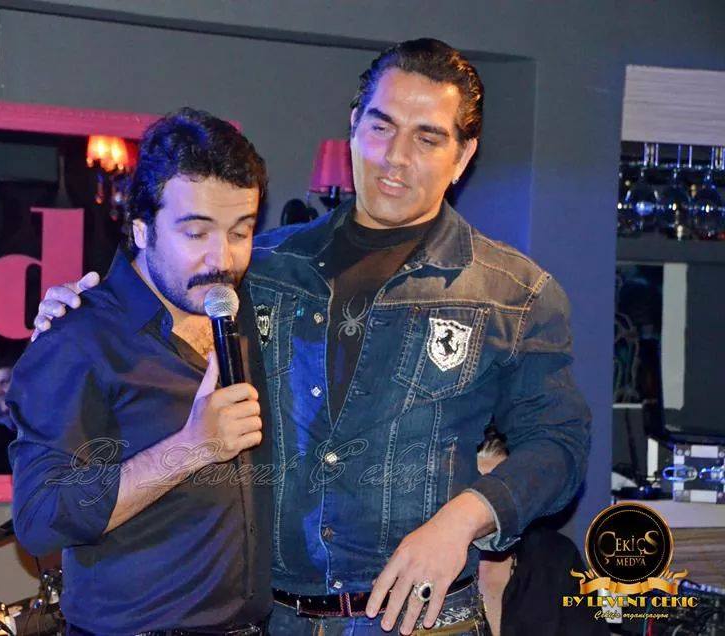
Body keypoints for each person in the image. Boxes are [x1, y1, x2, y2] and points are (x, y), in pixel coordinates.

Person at [35, 38, 591, 636]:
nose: (395, 157)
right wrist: (81, 310)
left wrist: (462, 520)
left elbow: (559, 446)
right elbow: (158, 294)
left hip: (423, 621)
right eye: (381, 127)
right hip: (274, 621)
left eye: (427, 138)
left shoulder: (514, 293)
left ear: (462, 156)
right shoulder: (262, 266)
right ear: (354, 126)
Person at [8, 108, 273, 635]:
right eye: (195, 233)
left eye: (240, 232)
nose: (221, 258)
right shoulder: (77, 338)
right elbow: (38, 518)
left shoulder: (254, 312)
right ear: (141, 230)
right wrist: (192, 447)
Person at [476, 427, 607, 636]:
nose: (489, 507)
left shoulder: (555, 557)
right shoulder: (434, 564)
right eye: (478, 493)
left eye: (499, 493)